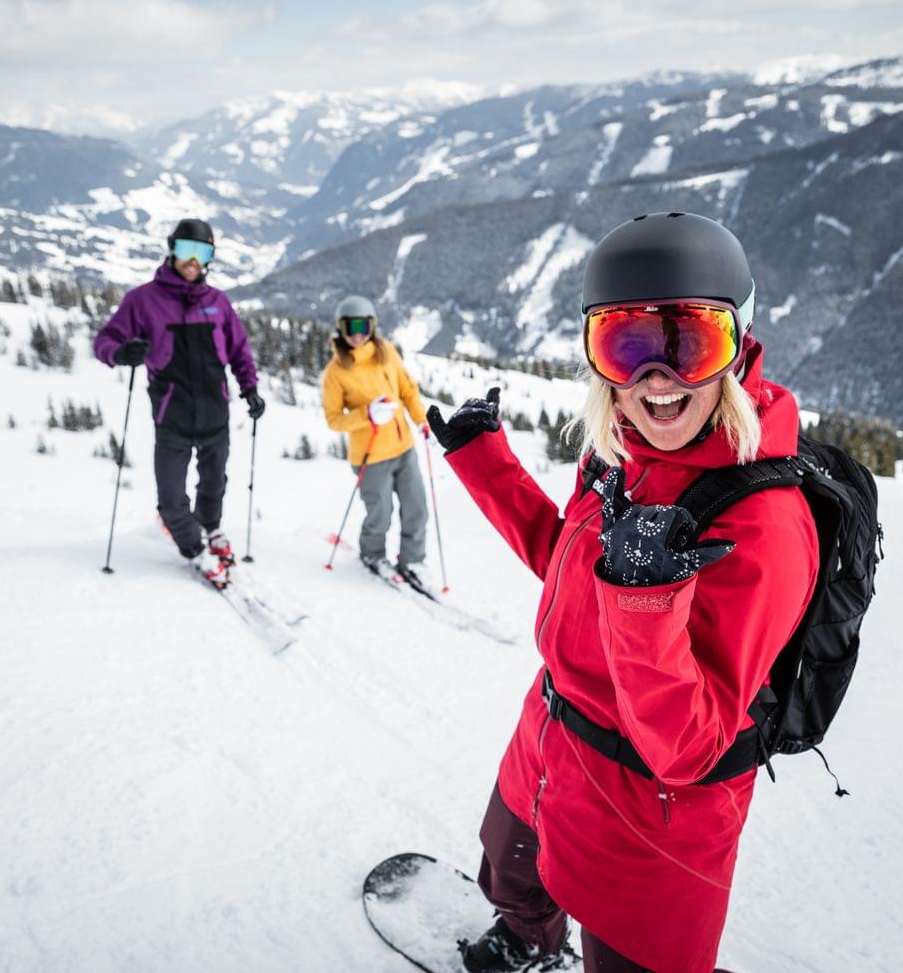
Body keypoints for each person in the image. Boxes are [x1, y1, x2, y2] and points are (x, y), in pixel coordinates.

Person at [426, 213, 819, 973]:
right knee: (507, 869)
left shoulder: (764, 522)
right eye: (626, 344)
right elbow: (567, 568)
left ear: (735, 350)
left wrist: (647, 603)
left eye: (689, 343)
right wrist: (485, 464)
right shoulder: (618, 458)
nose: (656, 381)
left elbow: (689, 747)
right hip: (549, 740)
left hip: (653, 813)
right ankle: (528, 940)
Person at [93, 218, 265, 588]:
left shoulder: (217, 303)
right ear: (172, 250)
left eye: (202, 252)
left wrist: (249, 388)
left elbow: (239, 351)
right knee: (171, 496)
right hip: (171, 414)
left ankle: (210, 527)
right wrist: (121, 352)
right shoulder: (142, 301)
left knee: (214, 483)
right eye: (186, 249)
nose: (193, 260)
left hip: (215, 412)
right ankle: (193, 548)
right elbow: (104, 341)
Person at [320, 295, 433, 591]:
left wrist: (421, 419)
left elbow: (408, 388)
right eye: (350, 327)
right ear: (341, 329)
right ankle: (372, 555)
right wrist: (366, 414)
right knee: (380, 514)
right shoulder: (336, 371)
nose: (357, 334)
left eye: (363, 325)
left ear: (372, 326)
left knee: (417, 507)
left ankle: (412, 560)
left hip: (403, 446)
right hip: (370, 456)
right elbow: (334, 419)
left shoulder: (387, 353)